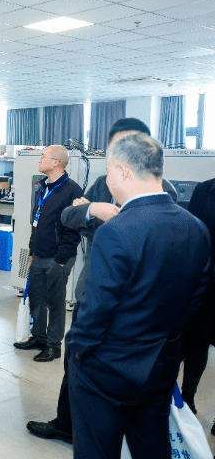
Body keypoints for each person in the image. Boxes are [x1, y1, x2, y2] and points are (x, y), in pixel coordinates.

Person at [27, 118, 179, 444]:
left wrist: (106, 217)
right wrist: (95, 209)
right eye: (115, 148)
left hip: (139, 299)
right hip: (95, 286)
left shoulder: (164, 191)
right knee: (76, 359)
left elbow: (149, 238)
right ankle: (67, 422)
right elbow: (70, 217)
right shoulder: (101, 184)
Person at [66, 133, 210, 459]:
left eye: (108, 172)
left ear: (122, 171)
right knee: (151, 446)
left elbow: (96, 310)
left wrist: (77, 352)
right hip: (160, 365)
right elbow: (193, 303)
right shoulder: (195, 228)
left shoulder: (117, 231)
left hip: (106, 370)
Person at [14, 145, 83, 363]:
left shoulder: (72, 190)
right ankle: (39, 337)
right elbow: (36, 223)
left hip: (58, 257)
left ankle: (54, 346)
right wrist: (32, 250)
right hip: (39, 254)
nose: (40, 160)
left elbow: (74, 229)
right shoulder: (43, 186)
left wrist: (61, 259)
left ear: (56, 162)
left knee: (55, 302)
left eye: (43, 157)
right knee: (37, 299)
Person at [180, 178, 215, 426]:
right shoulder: (205, 189)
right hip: (204, 280)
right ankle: (186, 398)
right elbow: (193, 231)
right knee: (195, 341)